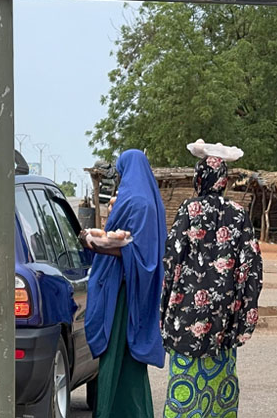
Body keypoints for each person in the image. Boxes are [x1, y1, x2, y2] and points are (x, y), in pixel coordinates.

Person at [159, 139, 264, 418]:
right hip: (223, 317)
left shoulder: (189, 210)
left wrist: (162, 311)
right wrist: (244, 316)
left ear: (200, 178)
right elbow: (251, 269)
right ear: (224, 181)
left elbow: (171, 261)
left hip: (186, 315)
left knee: (184, 384)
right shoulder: (239, 215)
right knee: (221, 385)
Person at [80, 150, 166, 418]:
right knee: (124, 361)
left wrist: (96, 244)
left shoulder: (139, 203)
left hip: (123, 295)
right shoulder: (142, 200)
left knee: (118, 357)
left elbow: (143, 255)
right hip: (123, 289)